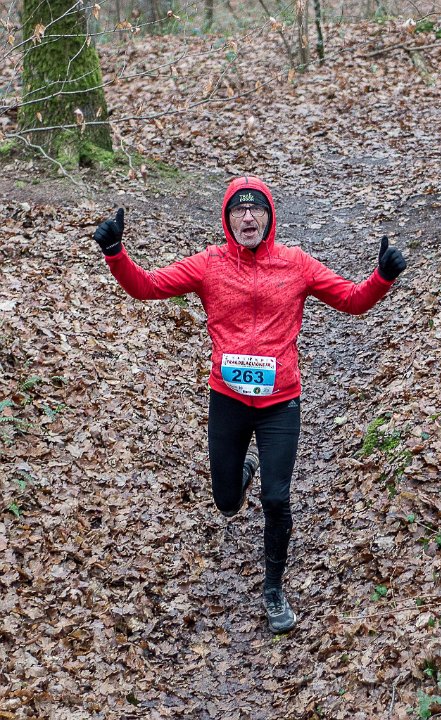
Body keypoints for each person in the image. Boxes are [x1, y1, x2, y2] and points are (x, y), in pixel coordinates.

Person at [93, 175, 406, 634]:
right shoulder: (209, 264)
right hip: (228, 400)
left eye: (255, 208)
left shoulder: (296, 264)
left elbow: (353, 300)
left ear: (269, 216)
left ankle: (273, 589)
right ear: (227, 220)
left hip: (281, 403)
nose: (247, 216)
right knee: (225, 502)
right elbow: (147, 286)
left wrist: (382, 277)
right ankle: (242, 472)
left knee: (277, 499)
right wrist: (115, 253)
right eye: (238, 210)